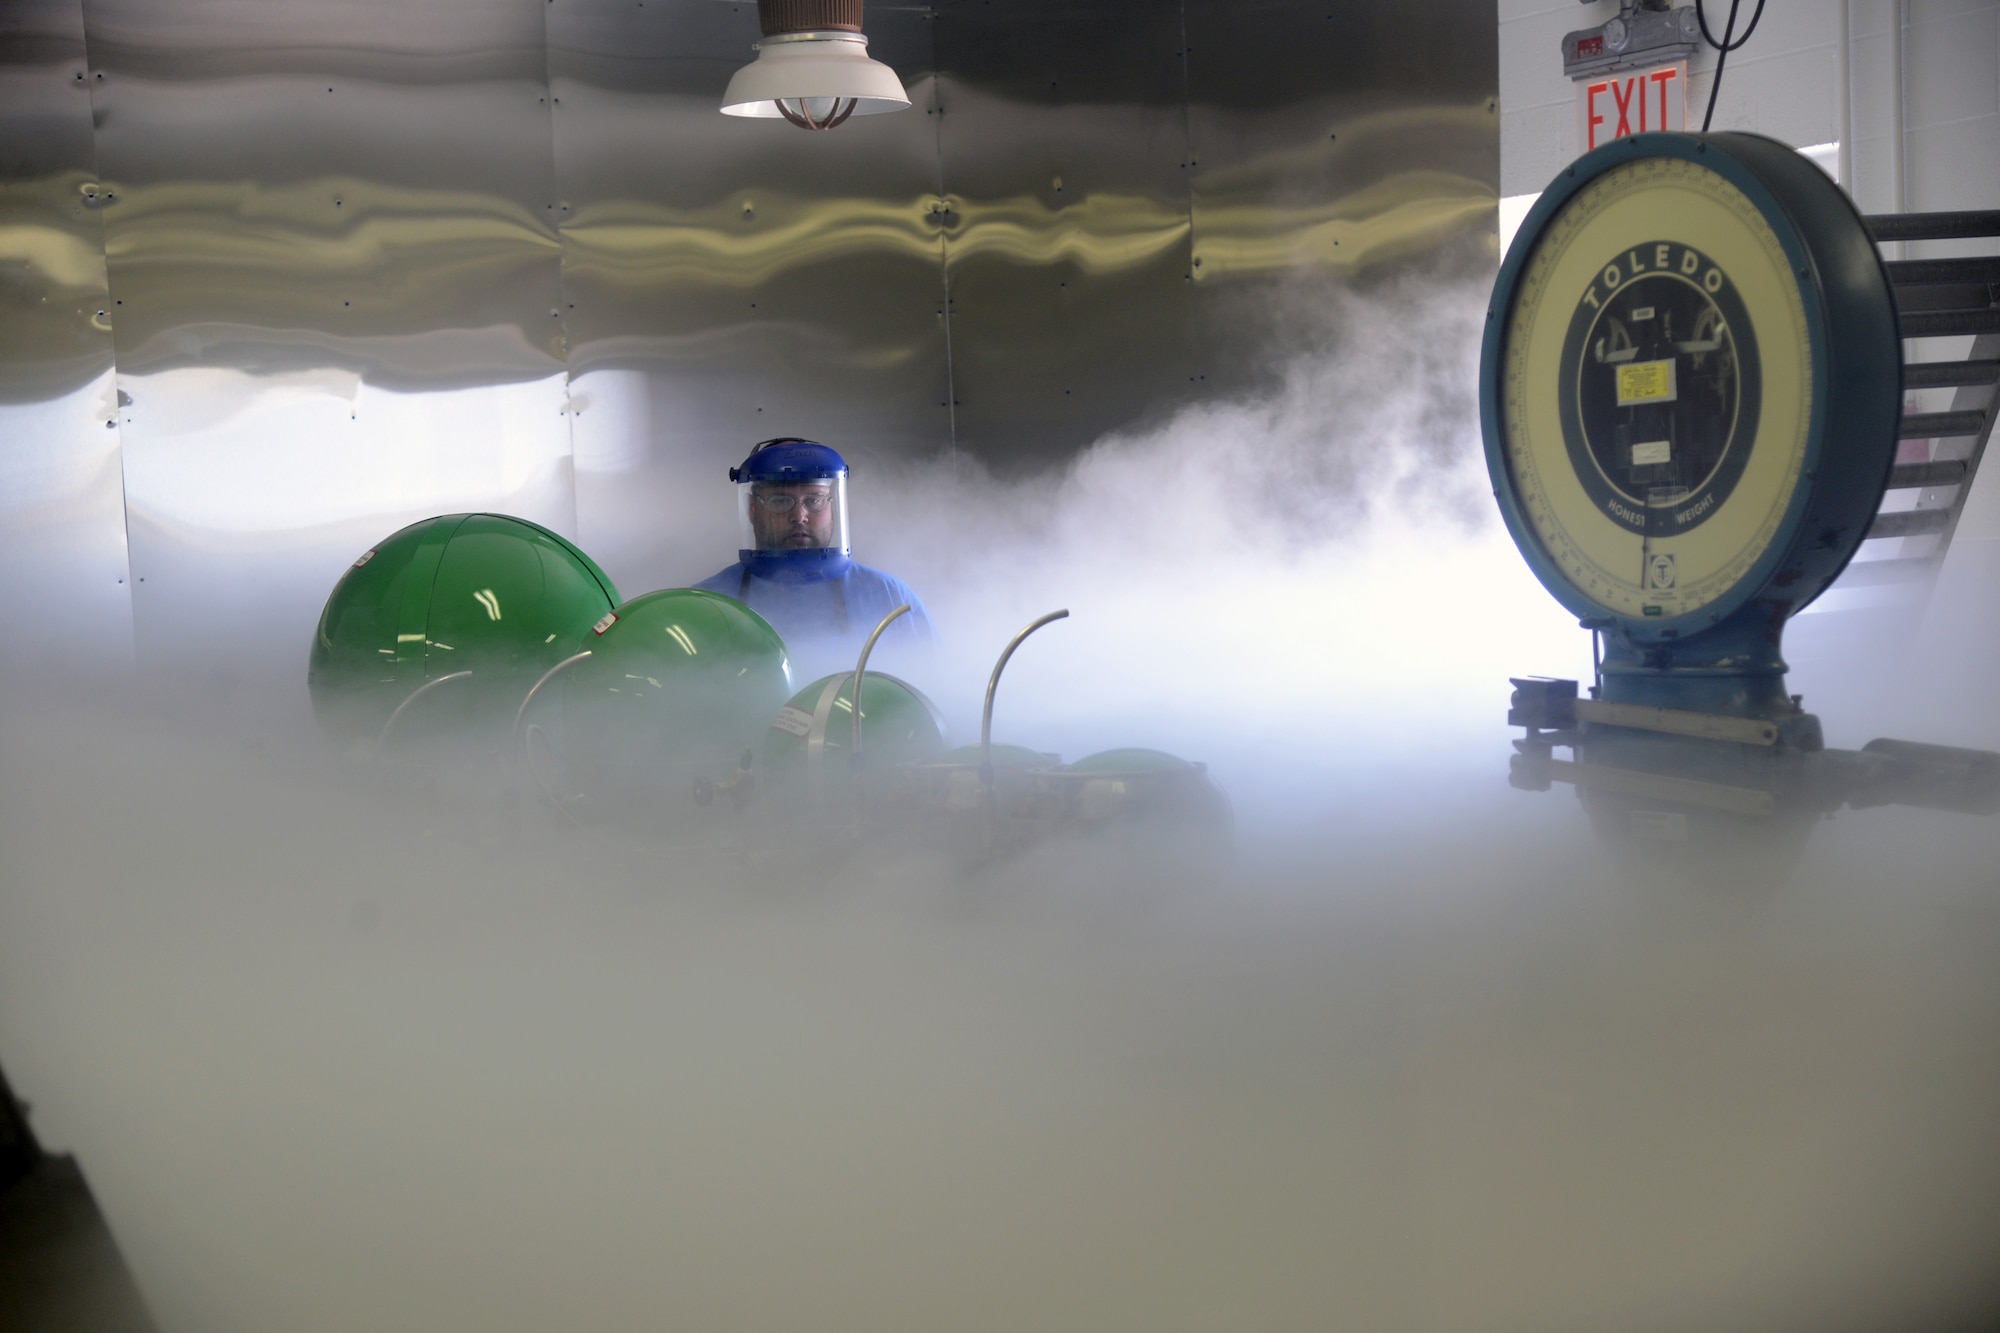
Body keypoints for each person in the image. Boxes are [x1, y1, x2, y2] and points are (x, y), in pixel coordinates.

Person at [694, 438, 935, 679]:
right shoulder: (705, 605)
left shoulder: (891, 598)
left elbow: (934, 688)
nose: (799, 516)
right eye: (780, 501)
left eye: (815, 500)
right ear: (752, 509)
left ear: (833, 506)